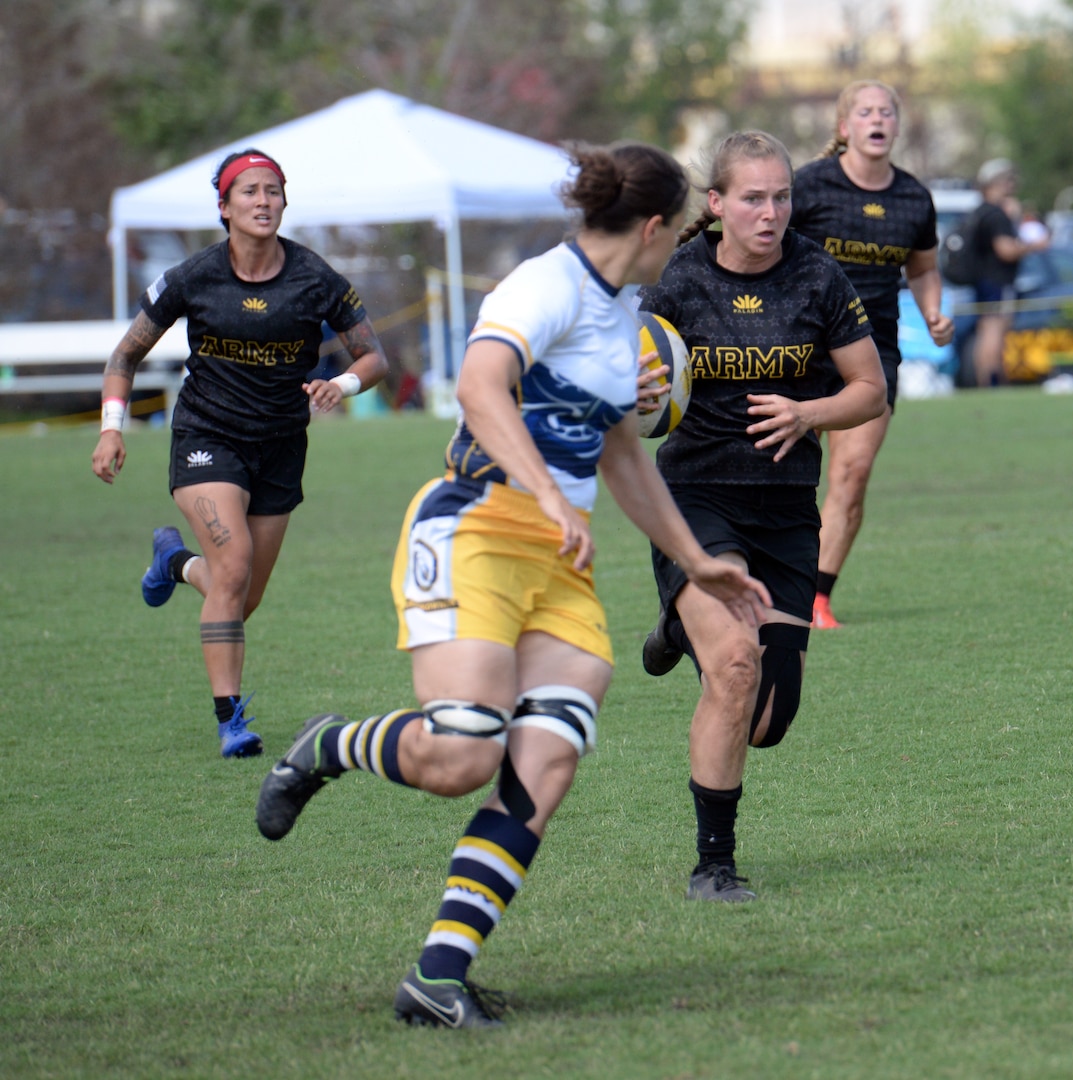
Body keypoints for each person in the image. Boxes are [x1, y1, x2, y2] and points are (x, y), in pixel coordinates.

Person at [254, 142, 770, 1029]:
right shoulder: (545, 287)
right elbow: (479, 387)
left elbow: (618, 452)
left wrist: (695, 559)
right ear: (651, 229)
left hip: (558, 564)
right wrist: (542, 492)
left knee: (548, 756)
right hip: (475, 530)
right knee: (461, 757)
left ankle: (437, 978)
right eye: (673, 230)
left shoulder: (625, 309)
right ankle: (327, 745)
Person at [636, 131, 886, 902]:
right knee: (735, 666)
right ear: (716, 205)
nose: (770, 212)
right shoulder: (679, 279)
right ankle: (714, 864)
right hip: (695, 500)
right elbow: (631, 373)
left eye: (780, 196)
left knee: (769, 718)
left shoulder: (816, 274)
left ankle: (678, 631)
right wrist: (638, 391)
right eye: (752, 198)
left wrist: (808, 412)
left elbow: (870, 392)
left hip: (784, 510)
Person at [90, 148, 389, 758]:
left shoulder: (316, 279)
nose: (263, 200)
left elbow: (374, 357)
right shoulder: (193, 276)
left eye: (273, 190)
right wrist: (111, 428)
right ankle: (231, 720)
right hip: (207, 437)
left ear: (284, 201)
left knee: (243, 594)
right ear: (224, 208)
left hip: (280, 446)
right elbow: (124, 356)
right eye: (249, 191)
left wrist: (343, 383)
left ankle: (173, 564)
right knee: (232, 567)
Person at [789, 80, 954, 630]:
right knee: (782, 472)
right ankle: (769, 581)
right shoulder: (808, 188)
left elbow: (924, 267)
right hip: (800, 350)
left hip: (872, 353)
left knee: (852, 472)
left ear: (896, 127)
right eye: (865, 111)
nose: (877, 119)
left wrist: (932, 312)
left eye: (886, 111)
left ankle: (816, 598)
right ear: (844, 128)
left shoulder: (913, 199)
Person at [965, 159, 1041, 388]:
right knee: (995, 330)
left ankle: (985, 380)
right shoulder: (996, 215)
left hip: (982, 281)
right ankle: (993, 379)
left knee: (986, 329)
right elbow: (1005, 250)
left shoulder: (979, 212)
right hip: (998, 282)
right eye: (1009, 180)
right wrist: (1034, 245)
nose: (1012, 185)